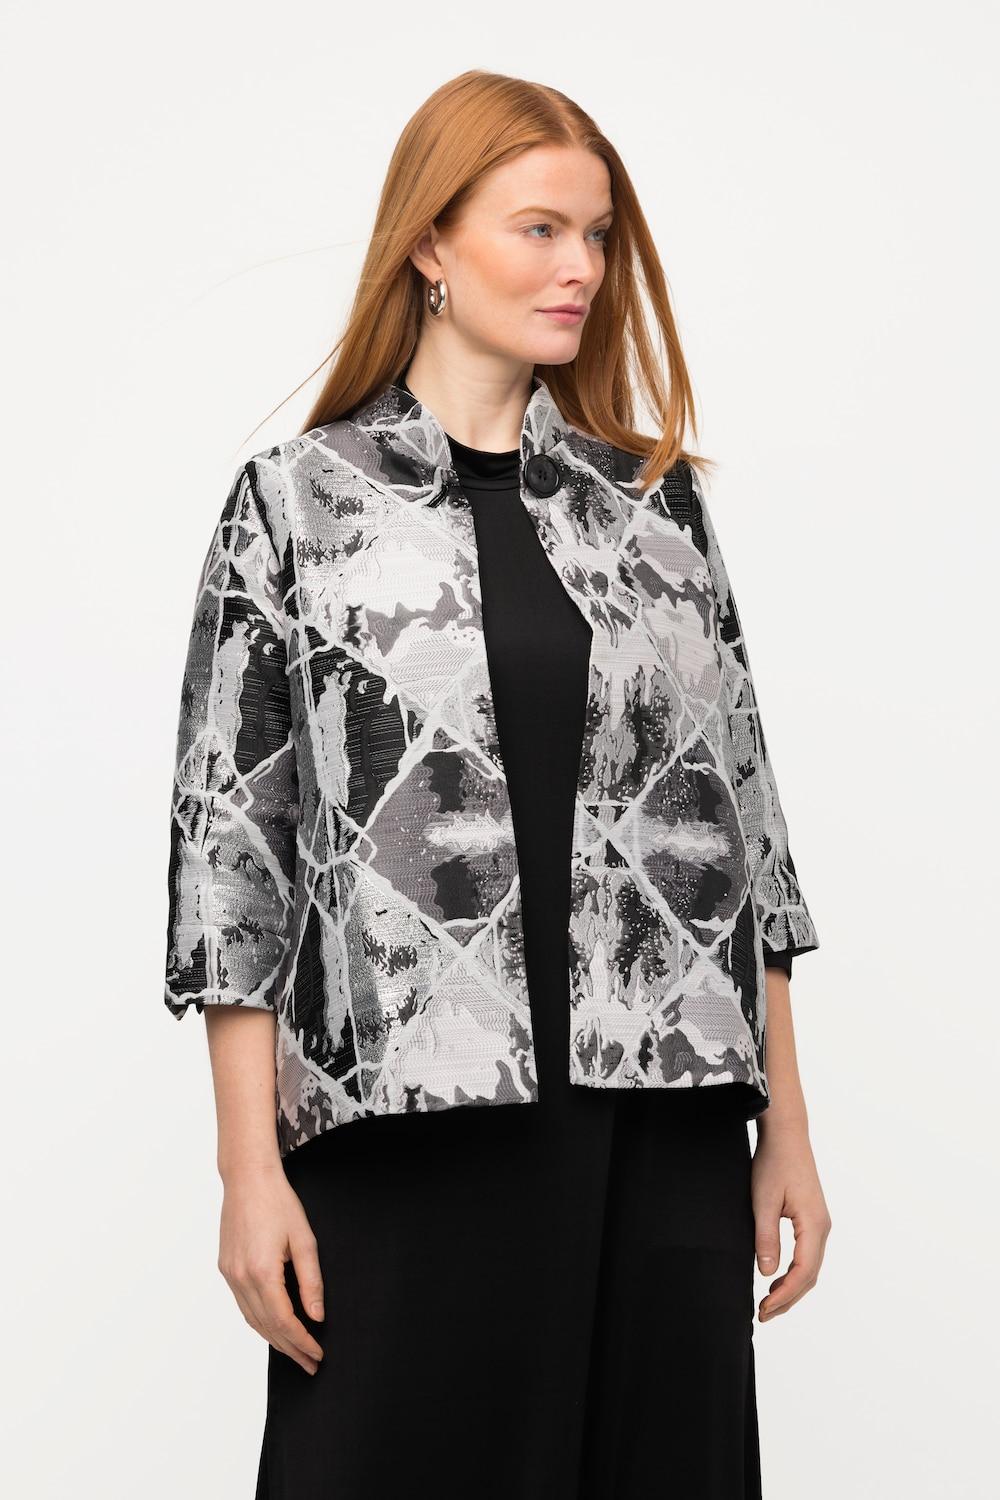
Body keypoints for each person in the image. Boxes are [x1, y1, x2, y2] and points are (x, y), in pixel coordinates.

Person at [164, 69, 832, 1500]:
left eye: (597, 236)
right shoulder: (298, 505)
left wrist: (786, 1127)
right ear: (430, 243)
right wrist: (246, 1172)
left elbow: (747, 838)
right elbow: (234, 863)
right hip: (410, 1119)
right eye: (539, 230)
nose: (580, 266)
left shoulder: (655, 509)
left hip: (663, 1118)